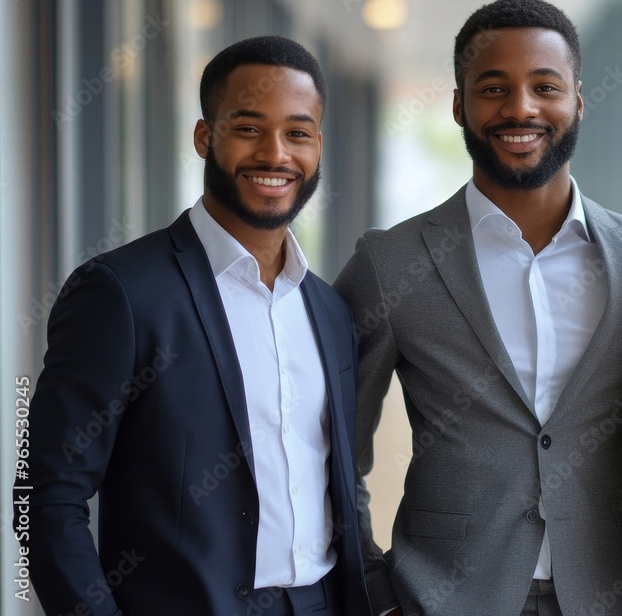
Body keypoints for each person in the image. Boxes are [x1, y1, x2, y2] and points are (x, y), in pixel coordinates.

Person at [335, 0, 622, 615]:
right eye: (494, 87)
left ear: (577, 102)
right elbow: (333, 449)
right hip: (443, 598)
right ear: (459, 103)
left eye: (546, 86)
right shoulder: (391, 265)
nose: (521, 108)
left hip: (620, 597)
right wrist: (375, 591)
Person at [17, 36, 373, 616]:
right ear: (205, 136)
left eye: (298, 133)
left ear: (318, 147)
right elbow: (46, 496)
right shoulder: (121, 292)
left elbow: (337, 480)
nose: (275, 153)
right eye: (249, 128)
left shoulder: (329, 310)